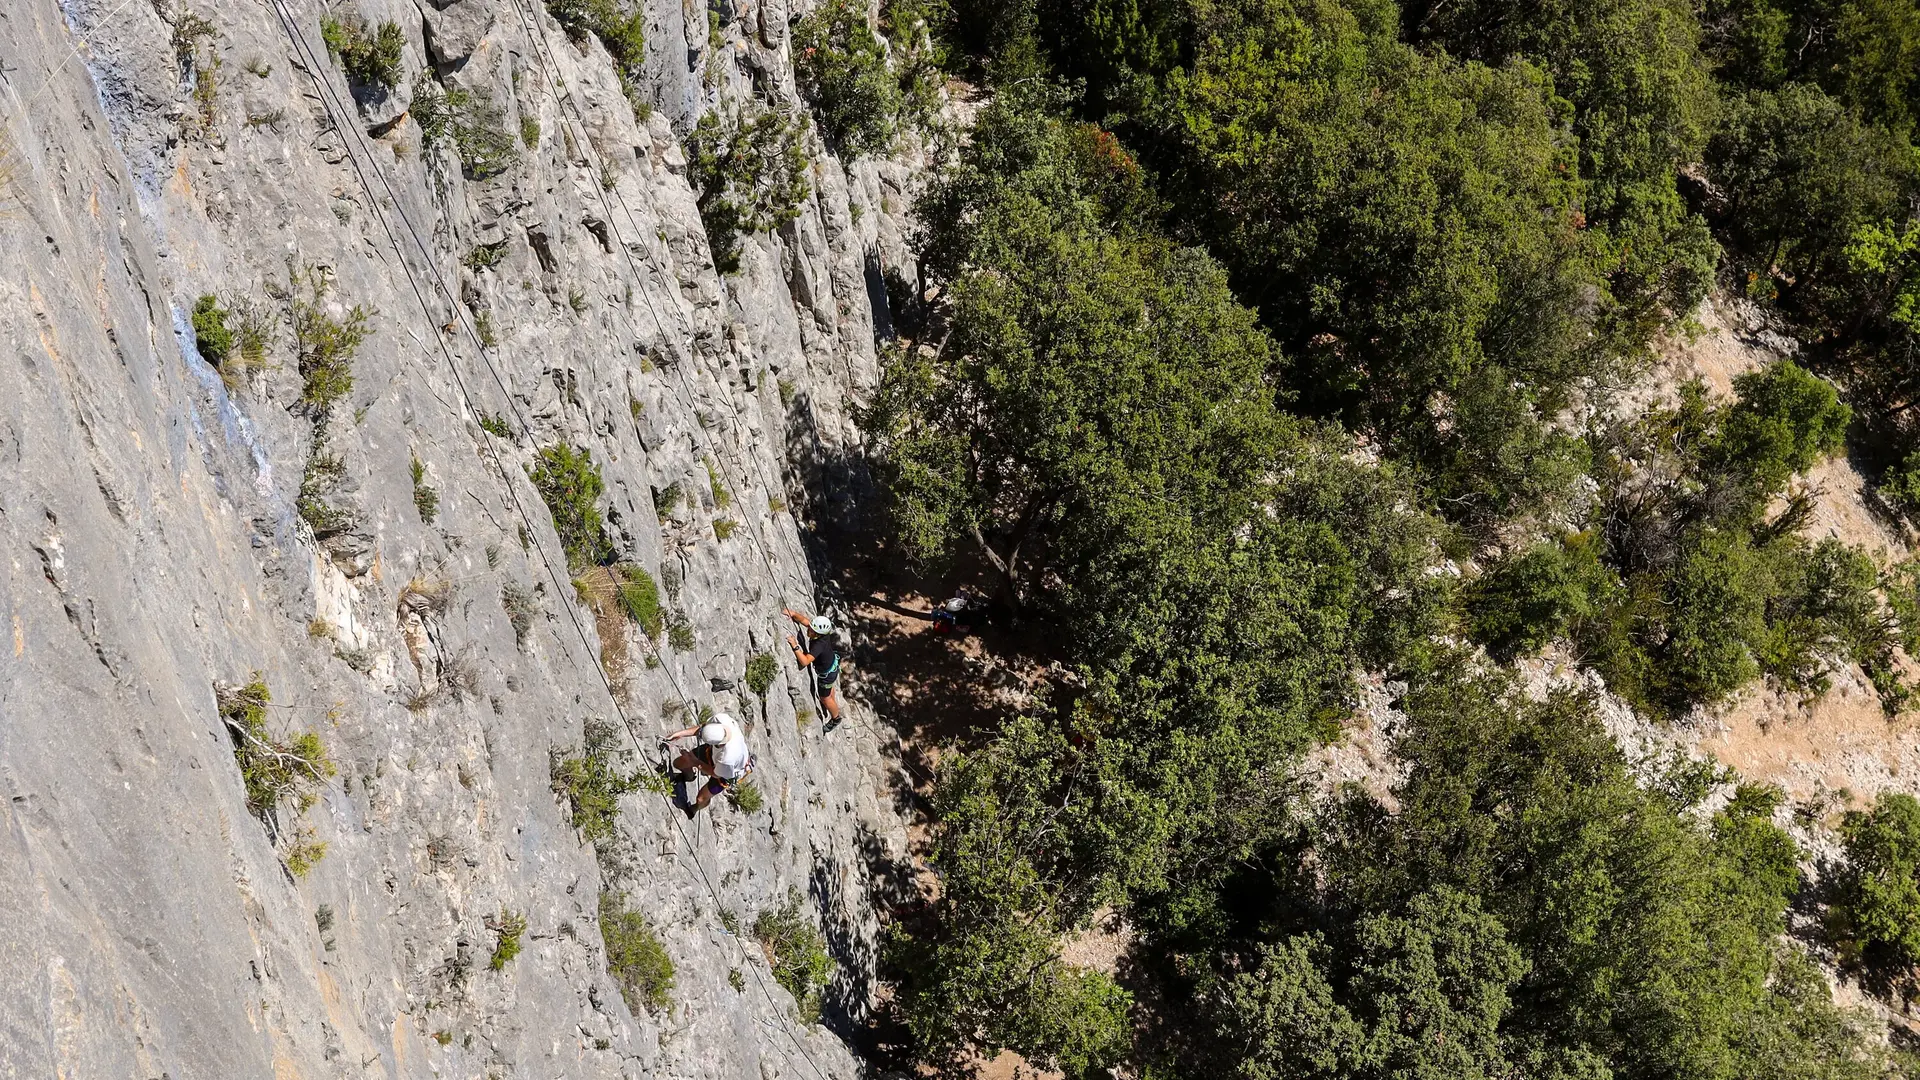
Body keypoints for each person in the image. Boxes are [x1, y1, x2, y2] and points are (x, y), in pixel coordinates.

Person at [663, 713, 752, 818]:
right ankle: (689, 777)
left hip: (727, 773)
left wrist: (694, 761)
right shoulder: (720, 719)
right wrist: (680, 733)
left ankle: (695, 808)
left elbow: (715, 774)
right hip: (713, 753)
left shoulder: (728, 758)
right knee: (678, 764)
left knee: (701, 799)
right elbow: (703, 728)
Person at [782, 607, 843, 723]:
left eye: (811, 629)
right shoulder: (820, 633)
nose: (808, 629)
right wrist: (793, 613)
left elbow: (804, 662)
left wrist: (795, 646)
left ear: (817, 634)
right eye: (810, 627)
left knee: (824, 698)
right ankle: (830, 701)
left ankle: (836, 718)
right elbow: (805, 621)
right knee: (829, 693)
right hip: (831, 668)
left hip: (827, 675)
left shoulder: (819, 645)